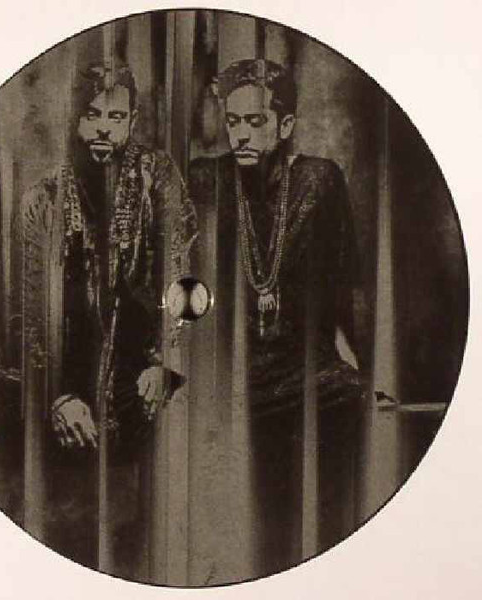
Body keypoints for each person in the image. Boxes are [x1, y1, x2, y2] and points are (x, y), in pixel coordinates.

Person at [188, 58, 366, 576]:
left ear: (285, 125)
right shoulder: (207, 179)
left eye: (255, 121)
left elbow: (344, 287)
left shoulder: (319, 180)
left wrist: (361, 363)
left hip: (305, 370)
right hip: (230, 374)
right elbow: (182, 279)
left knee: (346, 403)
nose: (241, 134)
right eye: (233, 121)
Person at [21, 62, 197, 573]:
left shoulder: (158, 178)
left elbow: (183, 279)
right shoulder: (44, 199)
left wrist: (167, 362)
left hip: (144, 366)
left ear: (133, 120)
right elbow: (29, 313)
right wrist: (58, 394)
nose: (103, 128)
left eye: (116, 117)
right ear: (74, 119)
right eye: (92, 115)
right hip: (72, 375)